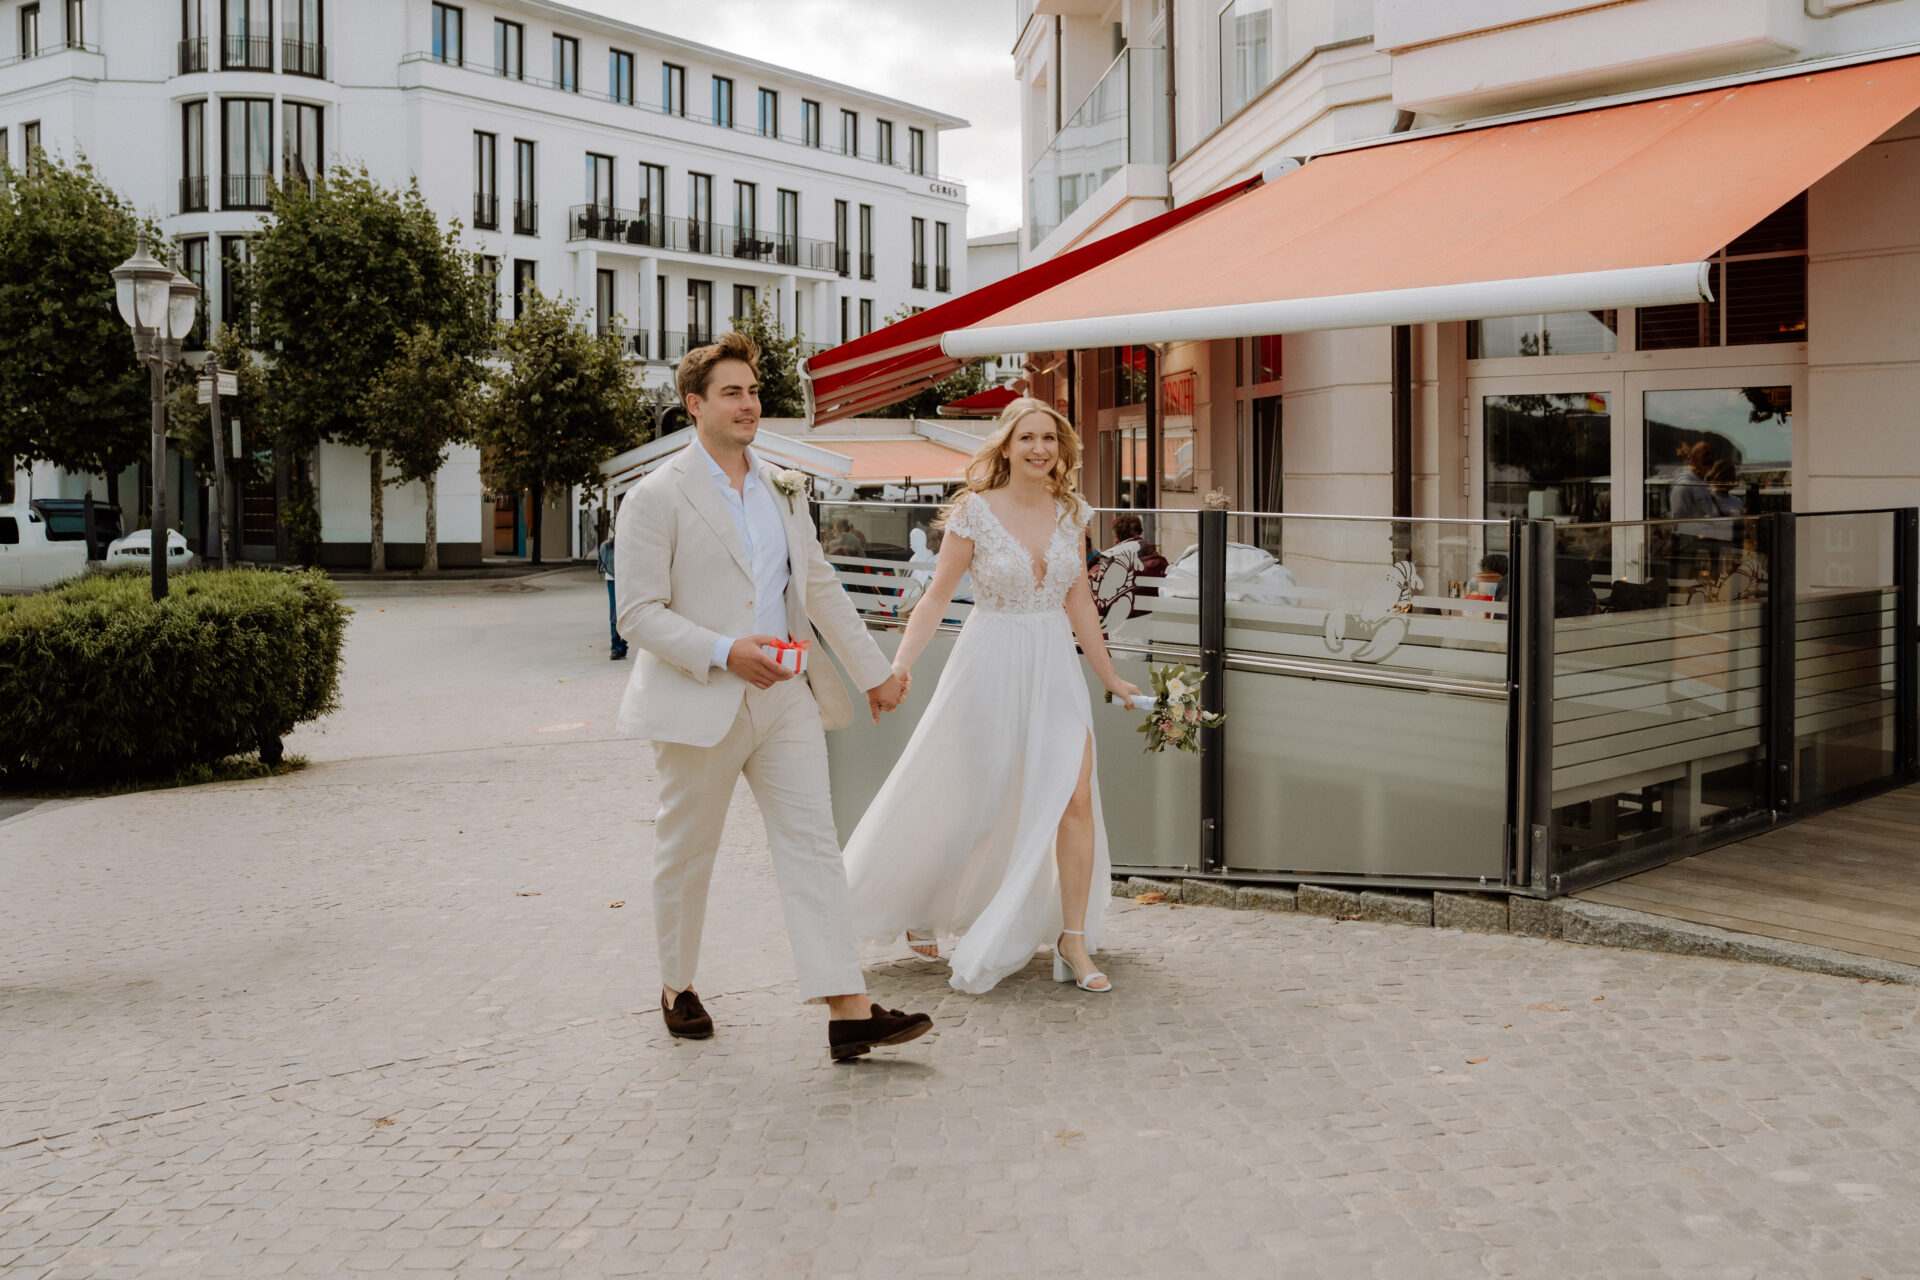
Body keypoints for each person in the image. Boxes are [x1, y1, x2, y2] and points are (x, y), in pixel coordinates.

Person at [613, 332, 932, 1062]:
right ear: (694, 406)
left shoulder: (783, 485)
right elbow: (638, 613)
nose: (749, 403)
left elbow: (816, 584)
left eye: (754, 390)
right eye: (731, 392)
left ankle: (847, 1010)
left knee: (813, 846)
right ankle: (676, 984)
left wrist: (874, 673)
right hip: (703, 697)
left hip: (786, 695)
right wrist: (727, 652)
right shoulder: (654, 498)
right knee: (688, 851)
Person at [843, 398, 1144, 995]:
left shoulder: (1071, 513)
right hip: (990, 662)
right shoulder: (974, 513)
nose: (1039, 449)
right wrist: (899, 665)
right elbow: (934, 598)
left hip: (1054, 666)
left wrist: (1109, 677)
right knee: (976, 795)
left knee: (1075, 797)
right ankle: (924, 902)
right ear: (1005, 447)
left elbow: (1079, 599)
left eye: (1050, 440)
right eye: (1027, 438)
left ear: (1062, 451)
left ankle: (1074, 938)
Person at [597, 510, 627, 660]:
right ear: (614, 529)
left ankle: (623, 644)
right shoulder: (607, 546)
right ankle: (616, 646)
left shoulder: (630, 545)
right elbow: (602, 561)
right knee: (615, 614)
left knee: (626, 612)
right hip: (613, 580)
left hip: (627, 580)